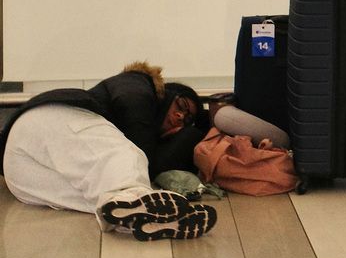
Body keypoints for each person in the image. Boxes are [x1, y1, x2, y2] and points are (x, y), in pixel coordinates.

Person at [0, 62, 217, 240]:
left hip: (19, 174)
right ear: (167, 93)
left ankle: (144, 220)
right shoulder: (139, 84)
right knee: (126, 156)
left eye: (186, 120)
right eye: (181, 106)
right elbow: (145, 153)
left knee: (103, 199)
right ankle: (145, 203)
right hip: (50, 119)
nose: (180, 116)